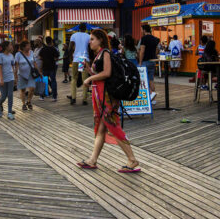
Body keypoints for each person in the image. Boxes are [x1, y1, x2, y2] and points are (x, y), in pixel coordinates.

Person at [77, 29, 140, 173]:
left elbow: (107, 73)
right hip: (102, 96)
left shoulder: (105, 53)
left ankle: (132, 159)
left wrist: (90, 78)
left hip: (108, 98)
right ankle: (92, 160)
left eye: (92, 39)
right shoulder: (99, 54)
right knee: (101, 128)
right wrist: (89, 70)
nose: (90, 41)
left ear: (100, 40)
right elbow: (102, 75)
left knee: (112, 126)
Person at [68, 23, 91, 105]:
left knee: (74, 78)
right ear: (85, 28)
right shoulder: (88, 36)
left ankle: (73, 98)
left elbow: (70, 48)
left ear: (78, 28)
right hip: (84, 59)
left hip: (76, 59)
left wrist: (71, 59)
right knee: (85, 79)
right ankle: (84, 99)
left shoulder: (74, 36)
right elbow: (90, 48)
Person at [15, 40, 41, 110]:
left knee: (32, 88)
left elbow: (34, 62)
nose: (29, 46)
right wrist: (16, 75)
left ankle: (29, 101)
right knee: (23, 90)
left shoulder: (32, 52)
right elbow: (16, 65)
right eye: (28, 45)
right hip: (21, 74)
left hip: (31, 74)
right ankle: (23, 104)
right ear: (23, 47)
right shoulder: (18, 54)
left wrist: (39, 72)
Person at [138, 24, 159, 103]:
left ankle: (148, 97)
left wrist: (140, 62)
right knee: (151, 79)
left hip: (145, 61)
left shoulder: (144, 38)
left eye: (141, 29)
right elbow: (157, 49)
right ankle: (153, 98)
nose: (141, 31)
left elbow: (142, 51)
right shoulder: (154, 38)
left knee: (144, 81)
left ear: (144, 30)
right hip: (152, 61)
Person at [0, 41, 16, 120]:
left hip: (10, 77)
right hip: (2, 78)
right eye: (10, 45)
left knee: (10, 95)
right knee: (4, 96)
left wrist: (15, 77)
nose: (11, 46)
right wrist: (1, 79)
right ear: (6, 47)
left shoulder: (11, 55)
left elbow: (12, 66)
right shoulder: (0, 55)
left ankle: (9, 112)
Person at [39, 36, 60, 102]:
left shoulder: (43, 49)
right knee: (53, 81)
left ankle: (42, 96)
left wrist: (44, 59)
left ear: (46, 41)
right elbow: (57, 57)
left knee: (44, 81)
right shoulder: (53, 49)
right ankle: (54, 97)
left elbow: (40, 57)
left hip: (45, 67)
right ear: (51, 41)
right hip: (52, 67)